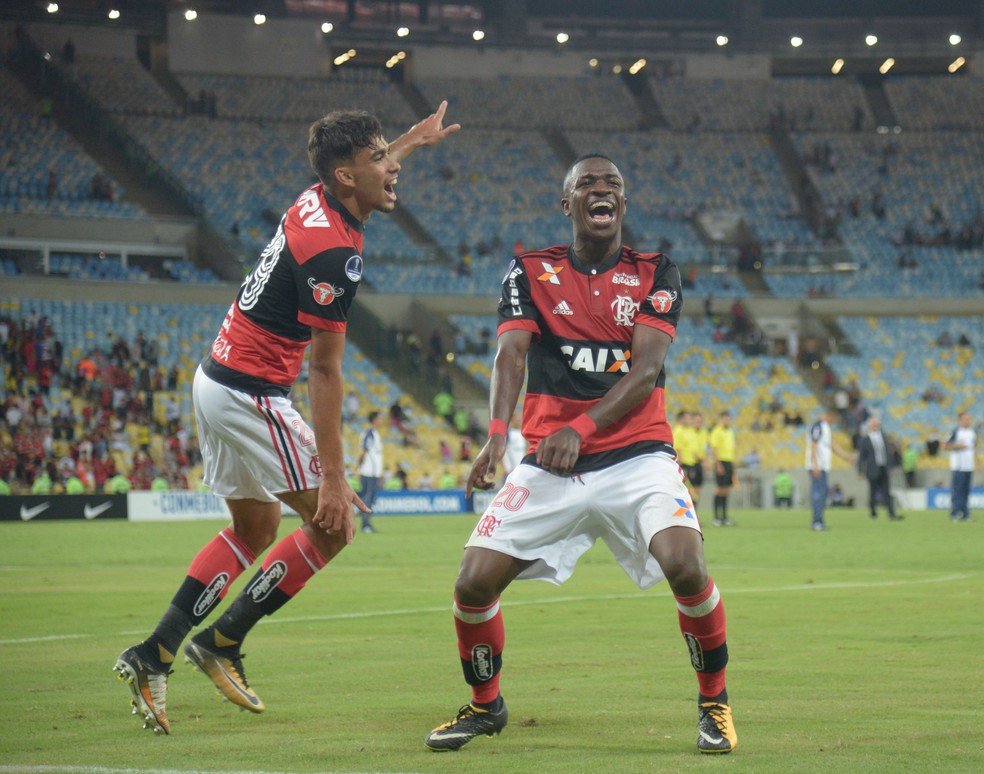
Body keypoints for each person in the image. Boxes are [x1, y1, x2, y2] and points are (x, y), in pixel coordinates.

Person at [114, 102, 460, 736]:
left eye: (390, 154)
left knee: (256, 524)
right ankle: (221, 641)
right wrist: (332, 476)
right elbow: (324, 372)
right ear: (346, 176)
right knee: (333, 526)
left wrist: (411, 140)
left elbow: (365, 166)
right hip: (253, 392)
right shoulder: (334, 255)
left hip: (215, 378)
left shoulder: (320, 195)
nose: (393, 168)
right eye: (379, 158)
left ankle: (154, 652)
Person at [423, 155, 736, 755]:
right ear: (566, 204)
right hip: (551, 462)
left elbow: (646, 370)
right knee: (472, 584)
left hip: (637, 455)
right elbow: (511, 354)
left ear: (623, 204)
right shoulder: (529, 270)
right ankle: (486, 708)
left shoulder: (656, 271)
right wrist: (496, 434)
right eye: (587, 184)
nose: (601, 191)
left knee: (688, 567)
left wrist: (583, 426)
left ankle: (714, 704)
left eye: (612, 184)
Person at [806, 407, 855, 531]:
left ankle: (820, 520)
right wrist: (815, 465)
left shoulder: (826, 427)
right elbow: (813, 445)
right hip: (818, 466)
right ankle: (816, 522)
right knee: (818, 494)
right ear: (830, 415)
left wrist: (846, 457)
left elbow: (832, 445)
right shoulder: (818, 426)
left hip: (823, 466)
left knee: (822, 494)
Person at [857, 415, 902, 521]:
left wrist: (890, 466)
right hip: (872, 468)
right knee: (872, 492)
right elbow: (862, 456)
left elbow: (888, 454)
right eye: (873, 424)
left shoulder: (883, 437)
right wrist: (860, 471)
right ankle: (873, 513)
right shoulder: (865, 439)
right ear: (869, 425)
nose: (875, 425)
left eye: (876, 424)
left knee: (887, 491)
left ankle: (891, 513)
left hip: (883, 467)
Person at [942, 411, 976, 522]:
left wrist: (978, 462)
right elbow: (944, 445)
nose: (968, 421)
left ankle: (965, 513)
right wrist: (958, 446)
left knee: (966, 491)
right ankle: (955, 513)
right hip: (958, 467)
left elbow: (972, 449)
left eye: (969, 418)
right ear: (960, 420)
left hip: (969, 466)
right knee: (957, 490)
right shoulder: (955, 432)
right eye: (966, 419)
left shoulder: (972, 433)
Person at [356, 411, 384, 533]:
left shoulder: (375, 433)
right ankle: (365, 524)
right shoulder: (369, 433)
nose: (381, 420)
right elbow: (363, 449)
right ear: (374, 420)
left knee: (370, 498)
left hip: (373, 472)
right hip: (368, 471)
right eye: (379, 418)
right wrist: (358, 464)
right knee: (367, 498)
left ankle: (367, 523)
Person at [707, 411, 736, 526]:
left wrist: (733, 466)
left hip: (729, 462)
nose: (727, 421)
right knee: (719, 489)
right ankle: (716, 517)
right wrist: (718, 464)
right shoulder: (716, 431)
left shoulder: (730, 432)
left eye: (728, 419)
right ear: (721, 420)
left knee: (726, 490)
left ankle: (724, 517)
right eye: (725, 419)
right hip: (721, 462)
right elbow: (714, 449)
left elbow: (732, 450)